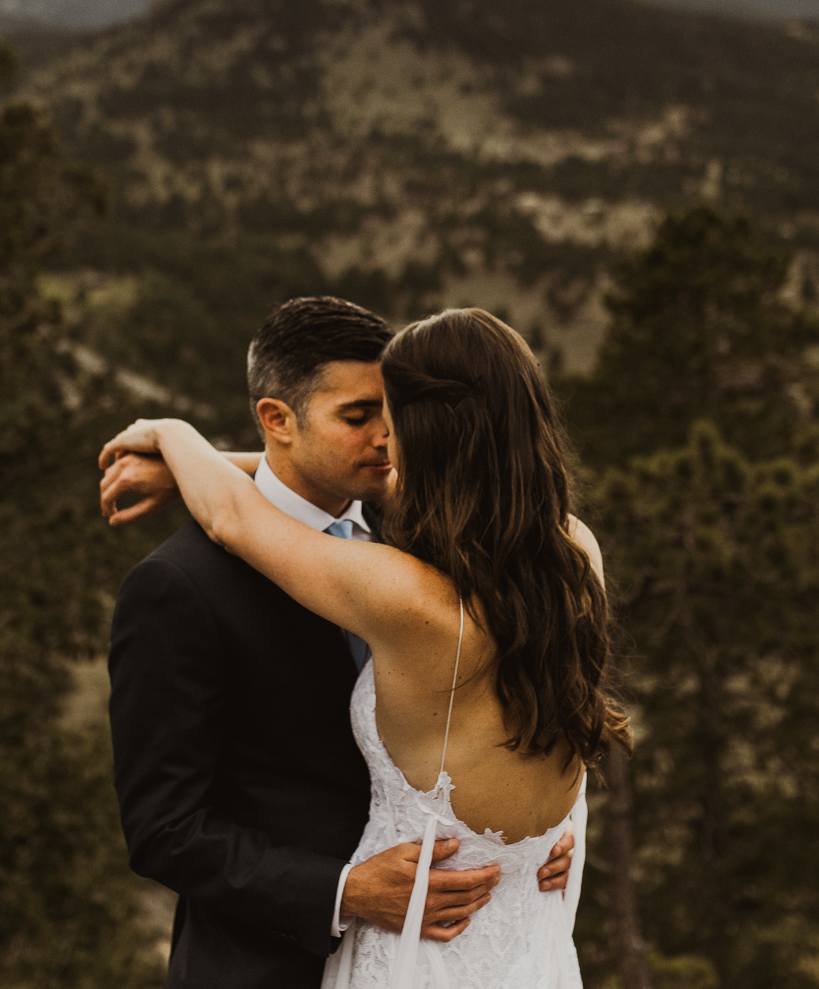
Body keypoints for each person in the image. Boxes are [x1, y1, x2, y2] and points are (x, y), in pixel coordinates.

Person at [104, 303, 625, 988]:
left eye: (395, 415)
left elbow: (234, 515)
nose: (383, 438)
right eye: (358, 417)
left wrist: (171, 435)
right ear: (277, 420)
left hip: (428, 953)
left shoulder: (407, 561)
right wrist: (342, 889)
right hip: (277, 964)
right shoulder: (568, 548)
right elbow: (165, 828)